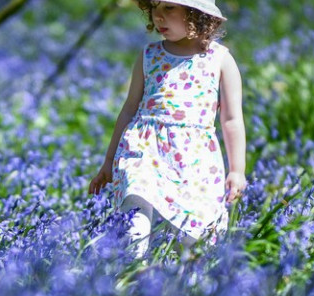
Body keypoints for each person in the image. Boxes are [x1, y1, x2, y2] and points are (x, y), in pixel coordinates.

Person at [88, 0, 247, 258]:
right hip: (143, 147)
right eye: (154, 7)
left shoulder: (220, 59)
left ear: (196, 13)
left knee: (191, 235)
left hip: (193, 157)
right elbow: (129, 109)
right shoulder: (149, 55)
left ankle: (181, 277)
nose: (158, 16)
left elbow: (231, 119)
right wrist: (109, 161)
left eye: (169, 8)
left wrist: (237, 170)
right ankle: (130, 266)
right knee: (135, 205)